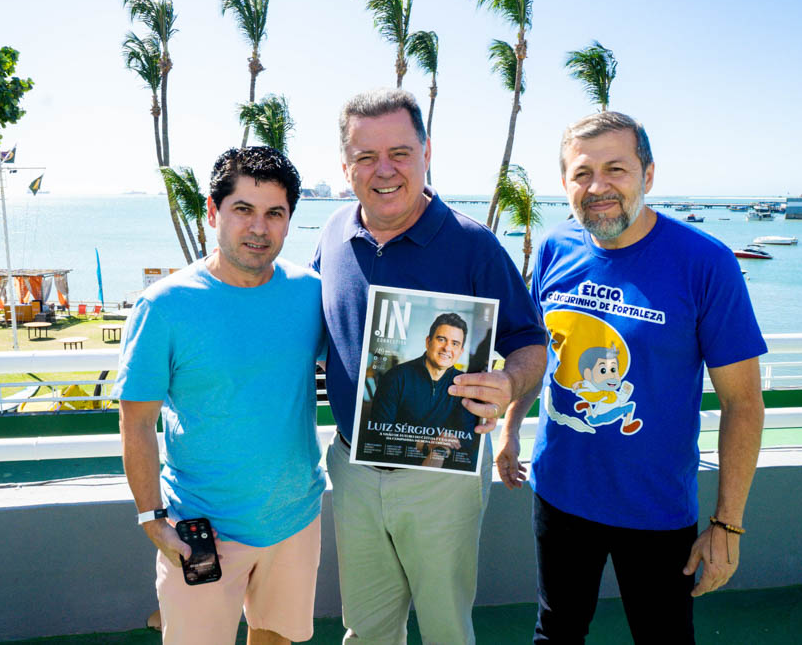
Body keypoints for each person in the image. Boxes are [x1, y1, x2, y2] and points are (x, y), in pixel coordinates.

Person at [496, 111, 767, 643]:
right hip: (559, 494)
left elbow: (743, 402)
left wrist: (727, 524)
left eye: (615, 169)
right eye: (582, 173)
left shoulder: (705, 262)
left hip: (655, 507)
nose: (598, 187)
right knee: (556, 631)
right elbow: (538, 352)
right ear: (565, 183)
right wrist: (510, 428)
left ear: (649, 174)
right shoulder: (554, 248)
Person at [313, 88, 547, 644]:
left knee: (445, 629)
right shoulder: (333, 233)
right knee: (366, 631)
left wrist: (508, 381)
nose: (384, 170)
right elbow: (314, 329)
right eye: (366, 157)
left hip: (442, 474)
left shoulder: (473, 244)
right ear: (345, 166)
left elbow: (531, 342)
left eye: (400, 153)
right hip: (352, 468)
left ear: (426, 153)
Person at [114, 146, 326, 645]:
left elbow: (363, 367)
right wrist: (153, 521)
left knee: (274, 640)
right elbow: (136, 422)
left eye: (275, 213)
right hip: (201, 528)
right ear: (213, 211)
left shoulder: (311, 292)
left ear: (289, 220)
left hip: (295, 519)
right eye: (243, 210)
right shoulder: (163, 306)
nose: (259, 228)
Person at [369, 312, 475, 467]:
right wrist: (426, 444)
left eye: (455, 343)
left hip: (444, 469)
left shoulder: (465, 385)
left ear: (460, 352)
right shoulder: (396, 377)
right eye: (441, 339)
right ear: (428, 342)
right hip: (395, 468)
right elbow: (377, 433)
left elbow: (467, 438)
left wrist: (440, 450)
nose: (447, 348)